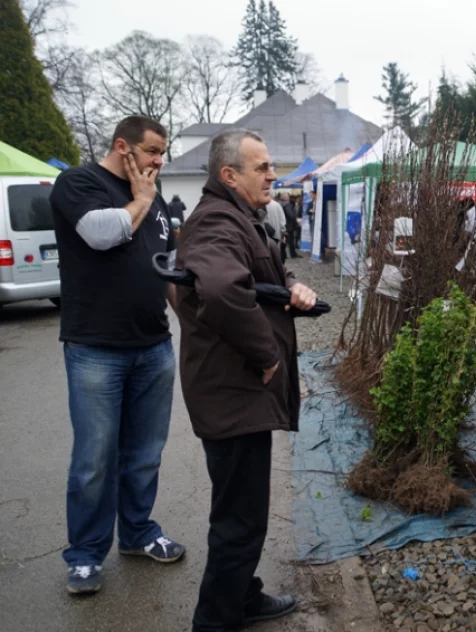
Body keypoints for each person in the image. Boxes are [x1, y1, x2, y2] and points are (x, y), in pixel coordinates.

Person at [174, 129, 318, 631]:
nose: (273, 175)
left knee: (243, 510)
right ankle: (215, 619)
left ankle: (242, 596)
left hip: (235, 394)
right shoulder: (218, 221)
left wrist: (290, 286)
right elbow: (220, 288)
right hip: (232, 394)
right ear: (229, 175)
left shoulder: (239, 217)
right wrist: (265, 354)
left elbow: (255, 276)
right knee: (239, 519)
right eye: (262, 167)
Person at [49, 115, 185, 595]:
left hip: (153, 346)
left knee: (145, 454)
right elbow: (100, 234)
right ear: (123, 146)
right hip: (95, 349)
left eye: (162, 152)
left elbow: (168, 268)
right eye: (152, 151)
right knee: (94, 461)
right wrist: (142, 199)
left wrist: (191, 325)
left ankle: (138, 533)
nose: (159, 161)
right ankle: (86, 555)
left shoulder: (157, 197)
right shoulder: (78, 183)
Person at [281, 194, 298, 259]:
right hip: (288, 226)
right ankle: (291, 254)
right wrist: (295, 220)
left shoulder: (284, 204)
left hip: (286, 225)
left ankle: (285, 254)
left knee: (285, 240)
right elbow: (291, 215)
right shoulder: (287, 205)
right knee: (289, 241)